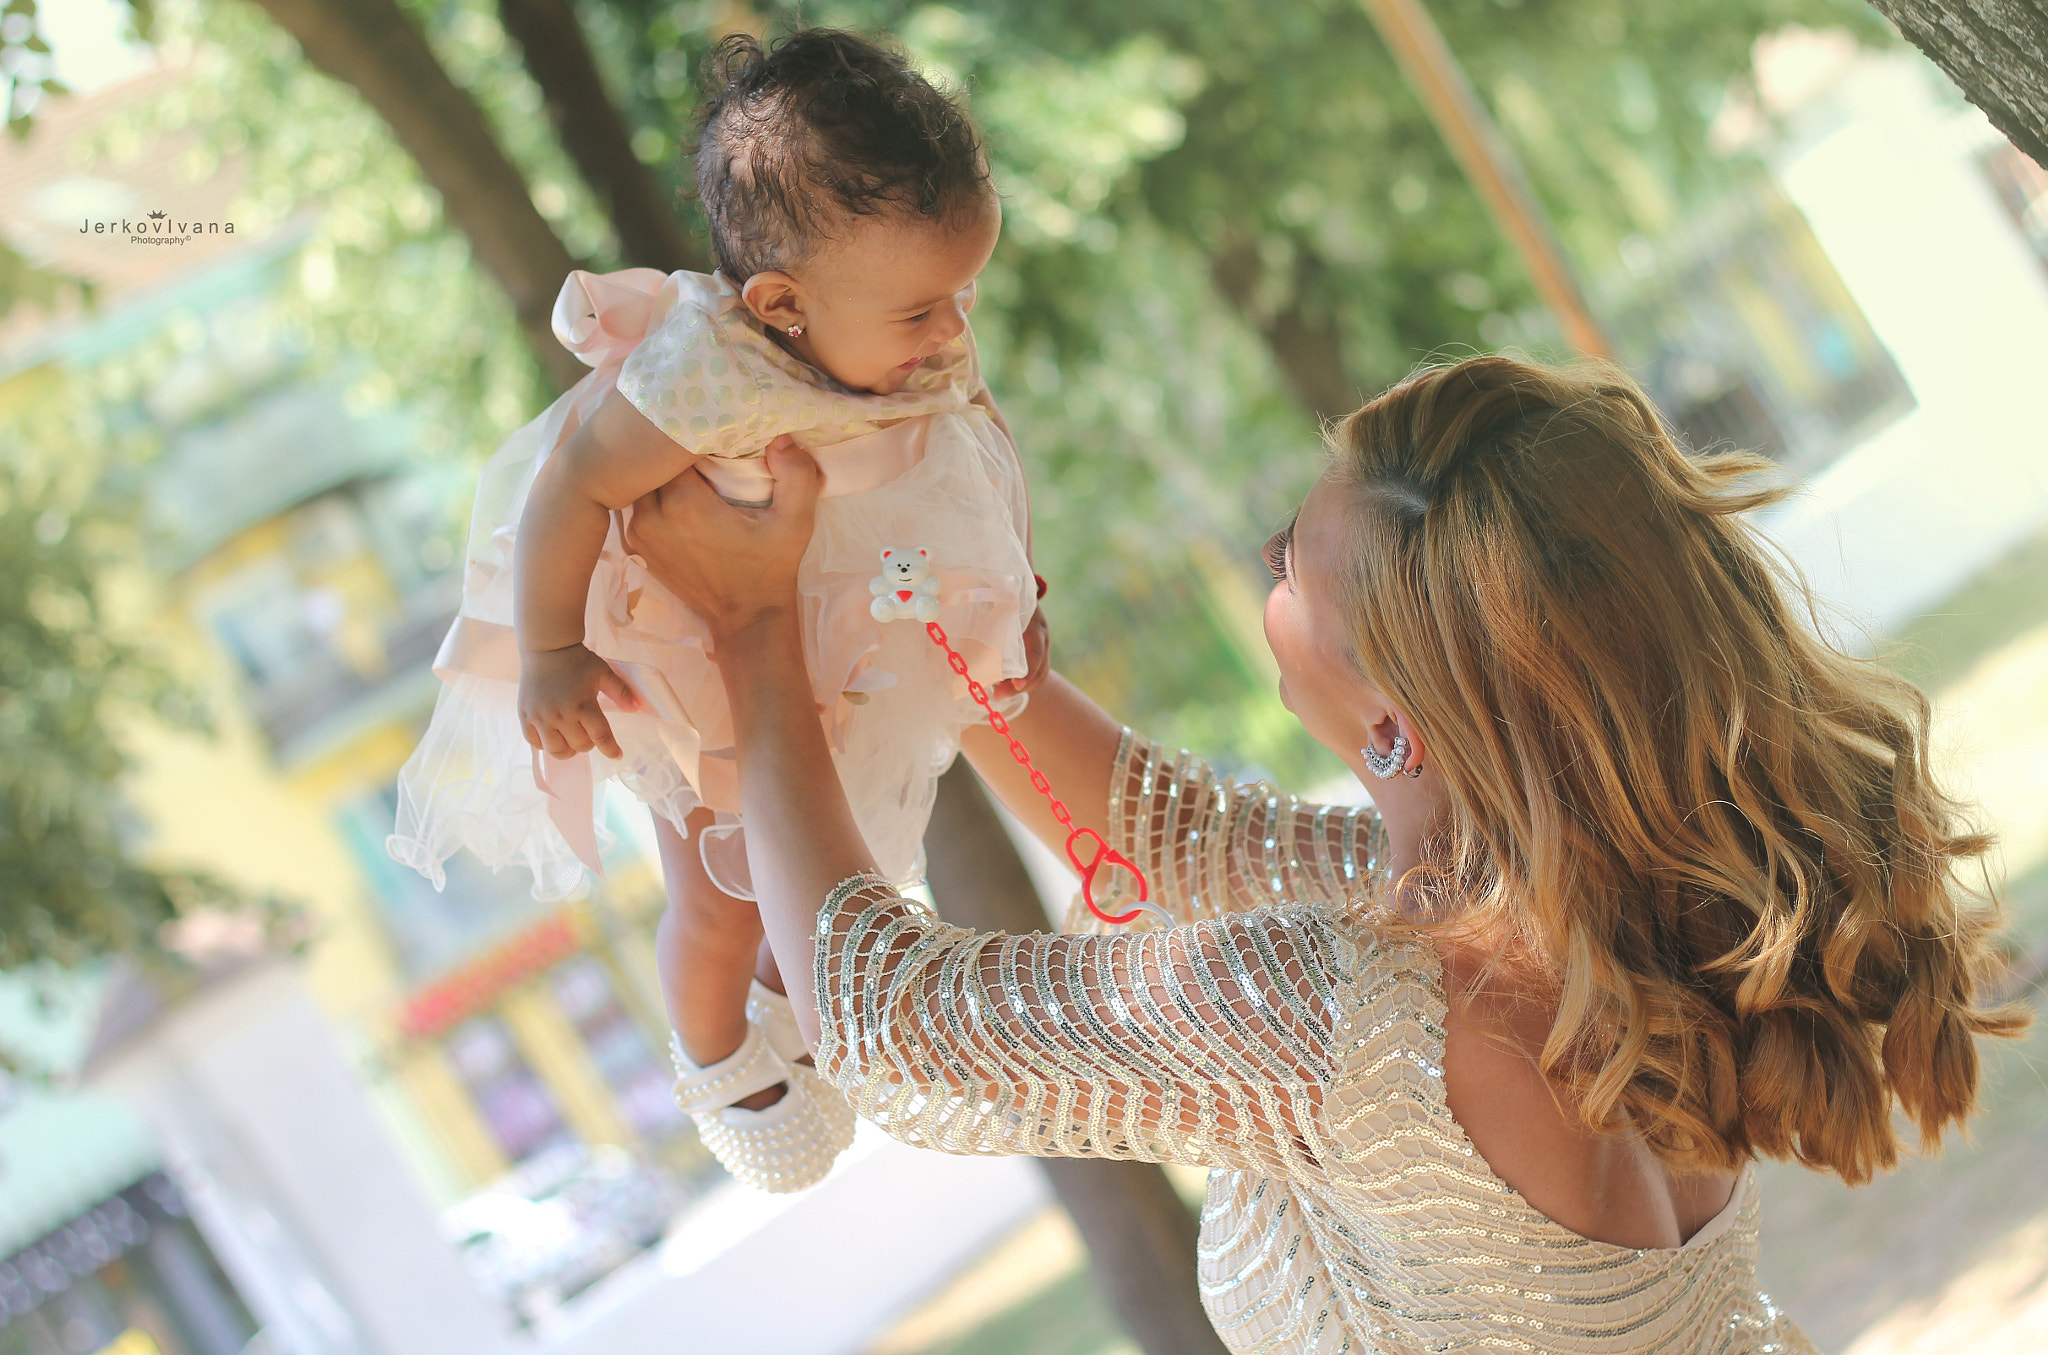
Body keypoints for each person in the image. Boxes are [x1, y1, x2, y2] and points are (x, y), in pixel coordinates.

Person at [622, 353, 2025, 1352]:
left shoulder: (1356, 1009)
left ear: (1395, 717)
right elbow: (1198, 837)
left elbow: (888, 1023)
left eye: (1291, 559)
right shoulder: (1566, 923)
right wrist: (977, 659)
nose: (1267, 572)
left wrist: (752, 632)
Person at [387, 29, 1045, 1192]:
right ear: (780, 303)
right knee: (713, 882)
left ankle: (814, 1009)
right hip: (690, 642)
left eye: (962, 294)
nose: (950, 332)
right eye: (920, 312)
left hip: (857, 609)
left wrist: (1011, 588)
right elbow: (573, 486)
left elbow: (978, 437)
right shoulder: (701, 371)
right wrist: (547, 654)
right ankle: (715, 1054)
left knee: (829, 838)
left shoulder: (909, 321)